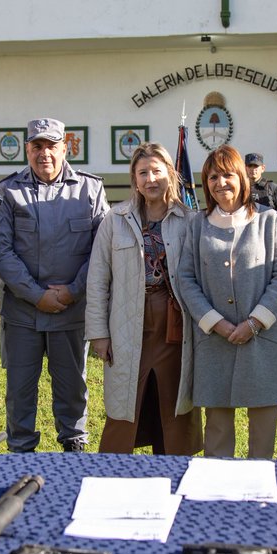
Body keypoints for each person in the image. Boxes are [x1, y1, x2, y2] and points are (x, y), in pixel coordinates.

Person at [0, 118, 108, 452]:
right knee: (20, 393)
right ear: (27, 149)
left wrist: (73, 290)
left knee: (72, 391)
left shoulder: (90, 190)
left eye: (51, 146)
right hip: (23, 314)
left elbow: (102, 250)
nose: (44, 153)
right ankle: (22, 458)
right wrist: (37, 295)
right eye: (37, 146)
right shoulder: (8, 191)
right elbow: (1, 251)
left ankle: (74, 456)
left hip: (71, 312)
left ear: (65, 148)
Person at [176, 145, 277, 458]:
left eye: (228, 175)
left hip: (264, 338)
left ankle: (259, 497)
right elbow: (186, 278)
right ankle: (220, 501)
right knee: (217, 433)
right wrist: (214, 322)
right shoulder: (196, 224)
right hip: (214, 340)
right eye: (213, 177)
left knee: (263, 434)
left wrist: (254, 322)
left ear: (242, 178)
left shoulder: (268, 221)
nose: (221, 183)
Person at [85, 142, 203, 455]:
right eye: (143, 173)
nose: (150, 178)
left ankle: (174, 468)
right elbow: (98, 279)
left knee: (173, 401)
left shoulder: (189, 221)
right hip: (128, 325)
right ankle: (116, 477)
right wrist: (98, 333)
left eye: (156, 171)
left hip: (176, 329)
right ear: (134, 179)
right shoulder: (116, 219)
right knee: (126, 403)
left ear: (170, 174)